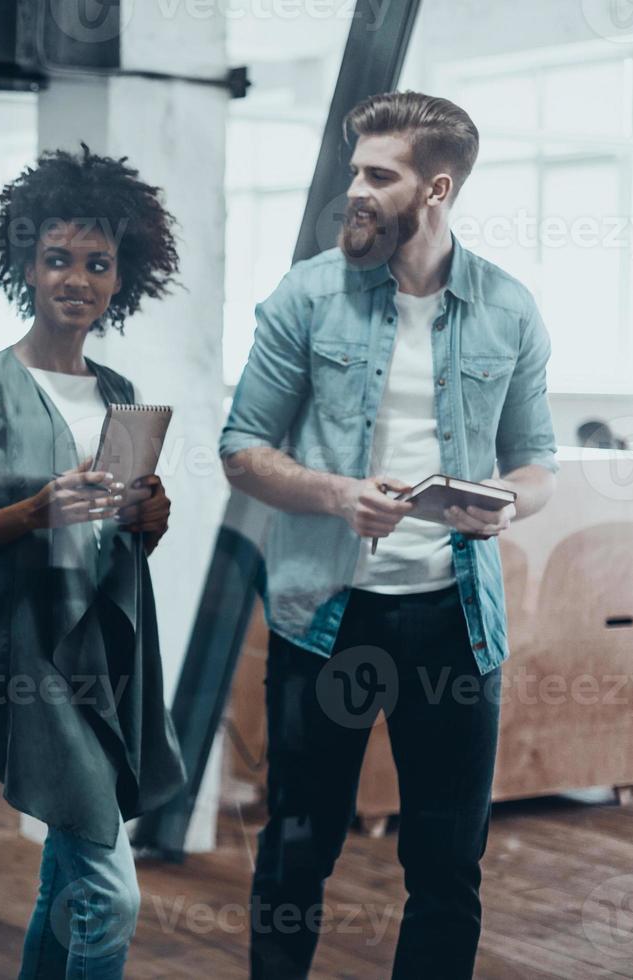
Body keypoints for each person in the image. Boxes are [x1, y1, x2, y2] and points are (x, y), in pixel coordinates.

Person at [219, 92, 558, 979]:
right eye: (352, 171)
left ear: (435, 188)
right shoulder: (304, 297)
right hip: (325, 617)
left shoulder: (508, 310)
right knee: (297, 850)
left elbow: (535, 464)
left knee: (446, 866)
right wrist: (335, 494)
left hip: (454, 623)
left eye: (378, 175)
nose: (354, 192)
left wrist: (507, 504)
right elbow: (239, 450)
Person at [0, 145, 188, 979]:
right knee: (109, 892)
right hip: (25, 657)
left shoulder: (118, 391)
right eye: (56, 259)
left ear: (122, 279)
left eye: (96, 263)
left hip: (107, 648)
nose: (75, 278)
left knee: (66, 872)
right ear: (25, 266)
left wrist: (147, 517)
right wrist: (31, 512)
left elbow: (118, 534)